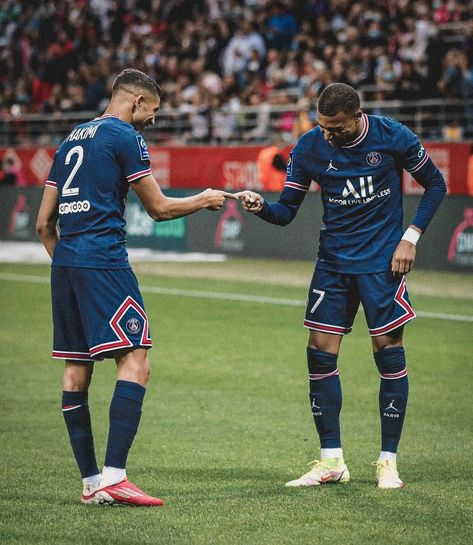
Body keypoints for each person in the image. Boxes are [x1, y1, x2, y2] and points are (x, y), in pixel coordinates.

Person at [36, 68, 236, 506]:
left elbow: (42, 223)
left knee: (76, 369)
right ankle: (114, 476)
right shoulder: (125, 136)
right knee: (136, 359)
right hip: (103, 260)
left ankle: (91, 484)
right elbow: (160, 208)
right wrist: (204, 199)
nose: (152, 120)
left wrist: (70, 266)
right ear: (136, 102)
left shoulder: (71, 137)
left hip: (66, 262)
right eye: (153, 111)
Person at [238, 83, 446, 489]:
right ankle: (331, 460)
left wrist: (411, 237)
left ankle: (388, 462)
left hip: (382, 263)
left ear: (357, 115)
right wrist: (261, 205)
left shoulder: (393, 136)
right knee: (319, 353)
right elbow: (285, 213)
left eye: (337, 129)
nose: (329, 135)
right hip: (332, 264)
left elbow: (435, 185)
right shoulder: (309, 147)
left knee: (387, 351)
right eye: (323, 127)